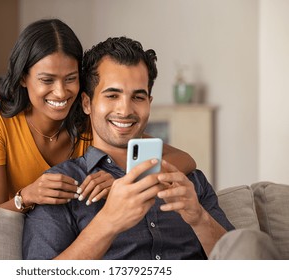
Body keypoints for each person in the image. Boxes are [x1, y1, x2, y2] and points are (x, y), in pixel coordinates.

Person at [22, 36, 235, 260]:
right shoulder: (61, 186)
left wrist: (199, 218)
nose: (125, 110)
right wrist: (108, 223)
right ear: (87, 103)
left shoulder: (188, 181)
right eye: (112, 95)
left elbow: (241, 262)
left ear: (149, 104)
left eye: (138, 97)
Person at [0, 19, 196, 212]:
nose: (61, 91)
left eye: (70, 78)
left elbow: (185, 160)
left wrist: (124, 178)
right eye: (47, 80)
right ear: (23, 78)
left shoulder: (89, 119)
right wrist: (28, 195)